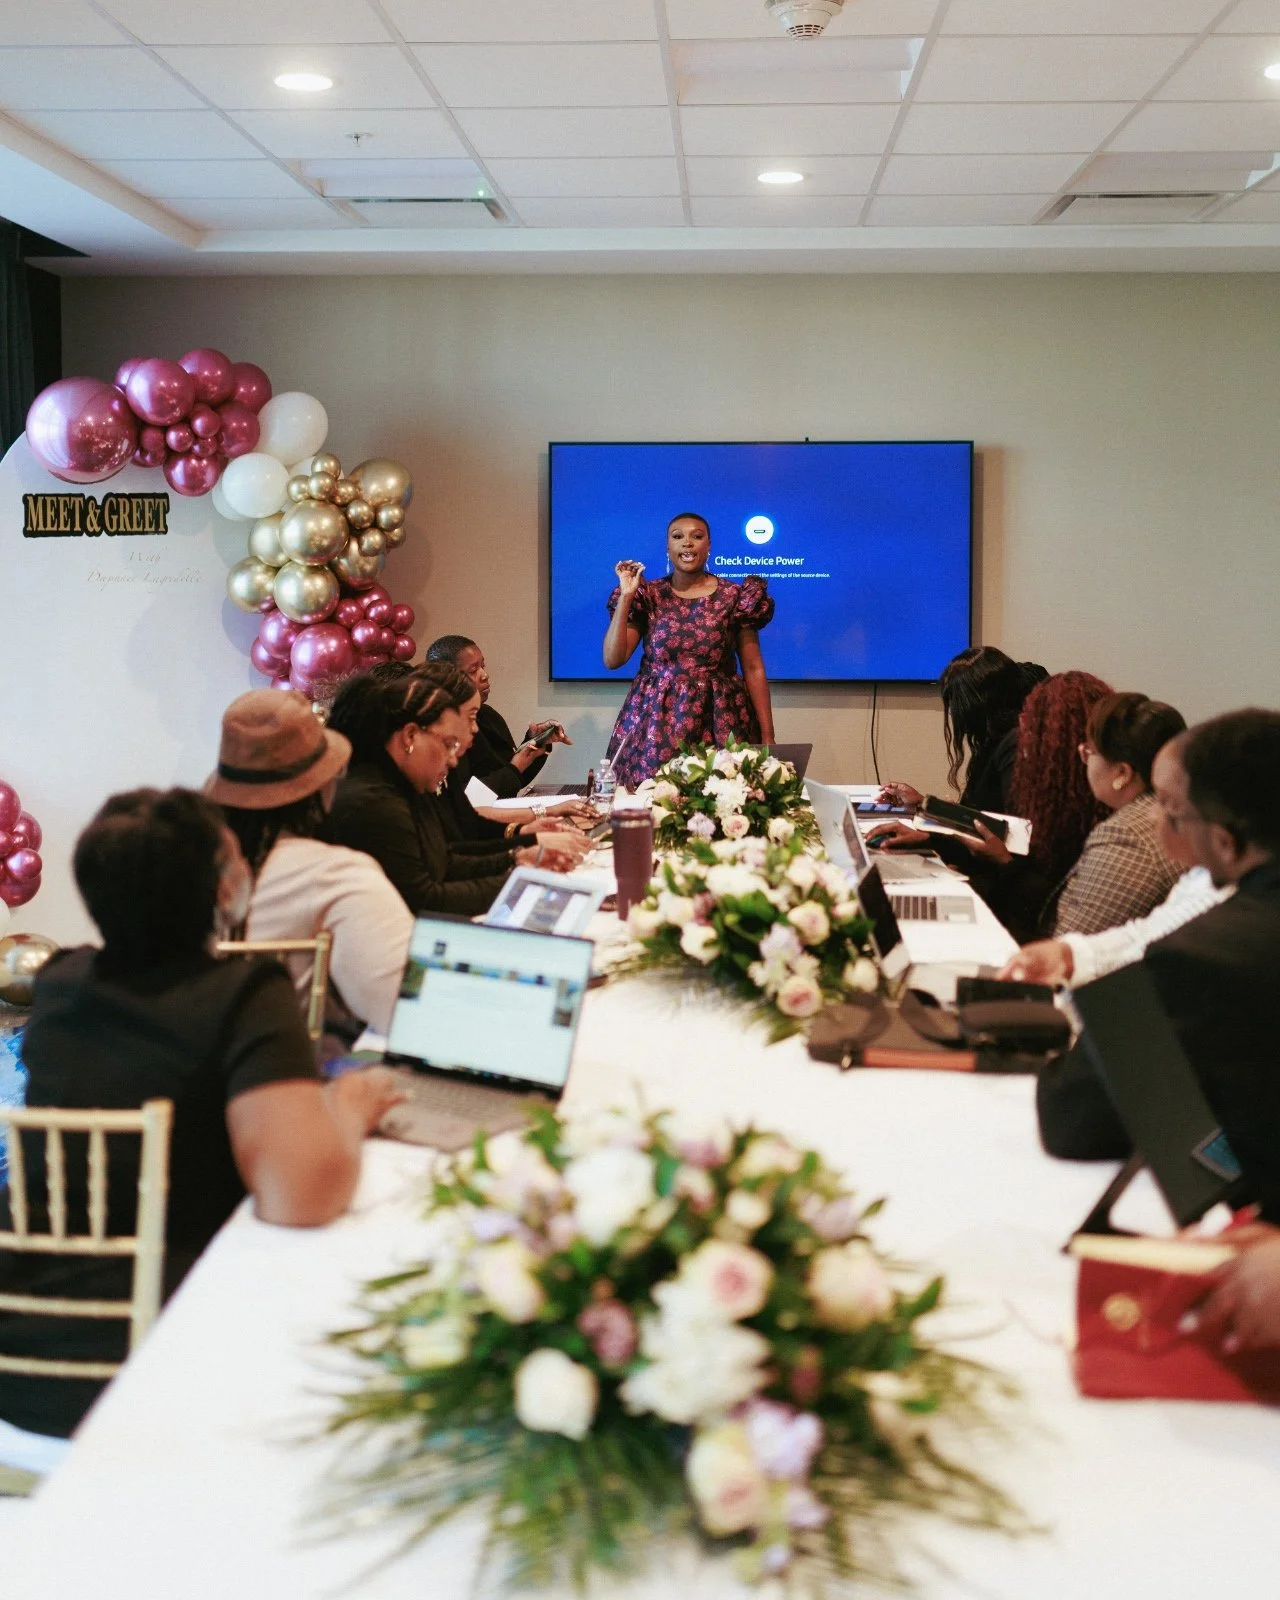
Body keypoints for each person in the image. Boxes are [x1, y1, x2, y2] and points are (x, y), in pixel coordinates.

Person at [0, 789, 402, 1443]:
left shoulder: (61, 985)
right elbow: (300, 1196)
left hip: (22, 1355)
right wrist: (349, 1108)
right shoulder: (246, 995)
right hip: (168, 1364)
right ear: (222, 890)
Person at [1036, 710, 1280, 1205]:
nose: (1154, 820)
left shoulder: (1204, 955)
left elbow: (1072, 1118)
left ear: (1226, 841)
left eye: (1170, 808)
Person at [209, 689, 414, 1037]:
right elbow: (400, 1008)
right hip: (292, 1071)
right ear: (322, 787)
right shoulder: (336, 875)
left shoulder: (180, 866)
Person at [327, 665, 577, 917]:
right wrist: (523, 879)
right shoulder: (374, 802)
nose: (454, 760)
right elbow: (426, 900)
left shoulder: (404, 782)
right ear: (410, 736)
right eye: (449, 744)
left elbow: (446, 858)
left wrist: (517, 857)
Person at [602, 512, 775, 788]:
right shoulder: (648, 595)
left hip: (720, 721)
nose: (687, 543)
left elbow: (753, 668)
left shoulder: (735, 597)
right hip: (655, 724)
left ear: (709, 546)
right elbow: (613, 660)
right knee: (654, 805)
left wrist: (768, 736)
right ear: (667, 548)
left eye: (697, 536)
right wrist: (626, 596)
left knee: (723, 803)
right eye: (678, 537)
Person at [1051, 692, 1186, 937]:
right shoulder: (1182, 815)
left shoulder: (1127, 838)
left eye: (1088, 752)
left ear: (1122, 773)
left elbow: (1070, 944)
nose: (1084, 760)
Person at [880, 645, 1048, 814]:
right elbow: (978, 820)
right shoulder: (993, 743)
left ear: (977, 703)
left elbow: (1007, 830)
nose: (953, 712)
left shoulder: (1014, 747)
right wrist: (923, 804)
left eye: (956, 702)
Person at [426, 634, 570, 799]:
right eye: (473, 670)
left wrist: (536, 742)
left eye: (483, 666)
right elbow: (467, 800)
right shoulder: (442, 731)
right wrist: (516, 768)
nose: (484, 675)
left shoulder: (488, 716)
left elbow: (513, 779)